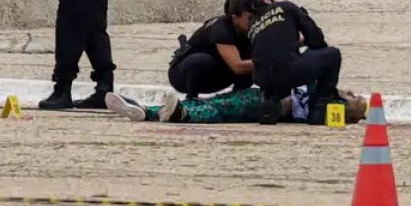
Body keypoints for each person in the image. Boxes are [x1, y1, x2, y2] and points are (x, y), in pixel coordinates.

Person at [245, 0, 341, 125]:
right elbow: (315, 37)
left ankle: (268, 103)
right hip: (288, 71)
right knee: (332, 54)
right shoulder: (286, 7)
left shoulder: (251, 24)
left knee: (276, 62)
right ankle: (319, 108)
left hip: (262, 78)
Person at [106, 86, 367, 126]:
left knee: (222, 109)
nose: (351, 92)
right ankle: (144, 111)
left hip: (270, 105)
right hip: (263, 95)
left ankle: (181, 115)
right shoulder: (325, 89)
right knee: (218, 102)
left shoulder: (332, 107)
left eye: (354, 98)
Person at [167, 0, 254, 98]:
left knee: (252, 62)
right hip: (183, 76)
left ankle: (239, 98)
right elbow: (238, 67)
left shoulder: (251, 30)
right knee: (202, 60)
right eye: (250, 17)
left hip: (218, 73)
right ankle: (192, 99)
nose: (255, 21)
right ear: (235, 18)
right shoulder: (221, 29)